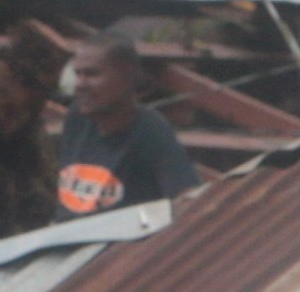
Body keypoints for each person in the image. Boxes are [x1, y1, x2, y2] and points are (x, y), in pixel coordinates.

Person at [50, 28, 199, 221]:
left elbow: (188, 200)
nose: (80, 84)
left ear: (128, 77)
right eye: (78, 74)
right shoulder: (77, 118)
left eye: (92, 74)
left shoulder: (151, 131)